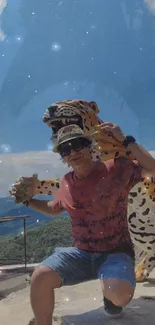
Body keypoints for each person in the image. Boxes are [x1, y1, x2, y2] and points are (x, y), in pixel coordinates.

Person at [13, 123, 155, 325]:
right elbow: (54, 208)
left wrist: (126, 139)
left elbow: (153, 169)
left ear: (90, 146)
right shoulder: (66, 182)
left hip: (116, 253)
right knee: (40, 277)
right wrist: (28, 201)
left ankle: (111, 294)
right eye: (65, 149)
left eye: (77, 144)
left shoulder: (117, 167)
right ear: (63, 157)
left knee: (119, 295)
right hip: (81, 253)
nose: (73, 152)